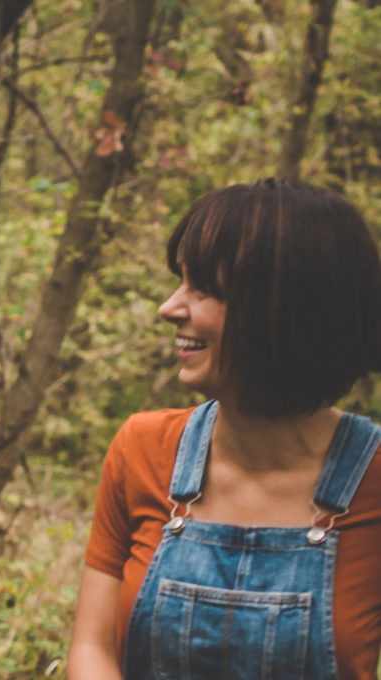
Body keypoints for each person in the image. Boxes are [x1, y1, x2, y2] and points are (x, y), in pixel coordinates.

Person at [66, 180, 381, 679]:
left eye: (204, 289)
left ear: (288, 311)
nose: (168, 308)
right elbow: (92, 648)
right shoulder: (143, 448)